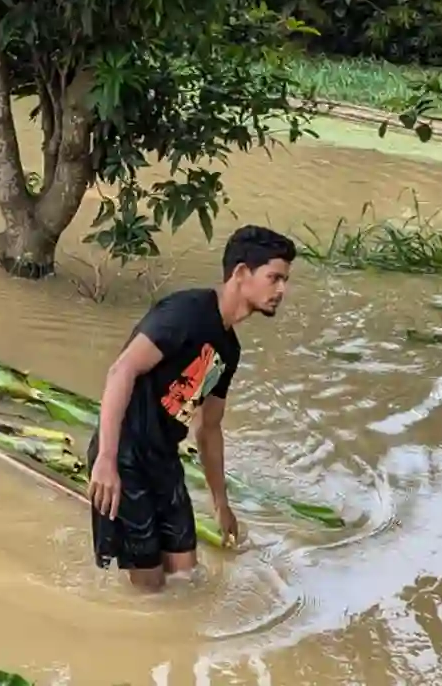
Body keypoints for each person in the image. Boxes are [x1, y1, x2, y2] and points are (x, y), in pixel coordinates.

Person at [86, 225, 296, 592]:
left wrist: (221, 503)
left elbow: (209, 428)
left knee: (187, 575)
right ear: (241, 273)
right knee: (150, 587)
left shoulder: (229, 351)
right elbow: (123, 369)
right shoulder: (185, 312)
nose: (282, 290)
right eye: (274, 278)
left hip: (164, 459)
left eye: (285, 280)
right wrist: (106, 458)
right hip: (126, 454)